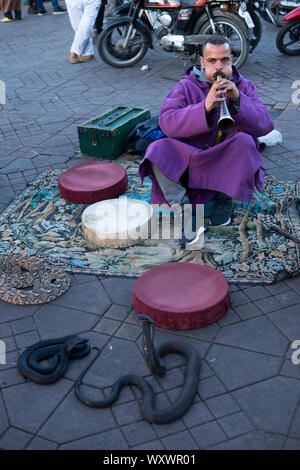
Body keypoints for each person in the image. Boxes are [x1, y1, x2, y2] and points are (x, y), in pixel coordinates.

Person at [139, 35, 274, 248]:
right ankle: (185, 213)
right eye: (212, 61)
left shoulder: (244, 86)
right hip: (192, 157)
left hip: (224, 160)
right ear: (202, 62)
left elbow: (265, 125)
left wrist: (238, 99)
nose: (219, 66)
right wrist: (204, 107)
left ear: (232, 60)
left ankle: (224, 197)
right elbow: (167, 122)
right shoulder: (185, 86)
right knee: (157, 149)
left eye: (224, 60)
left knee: (246, 142)